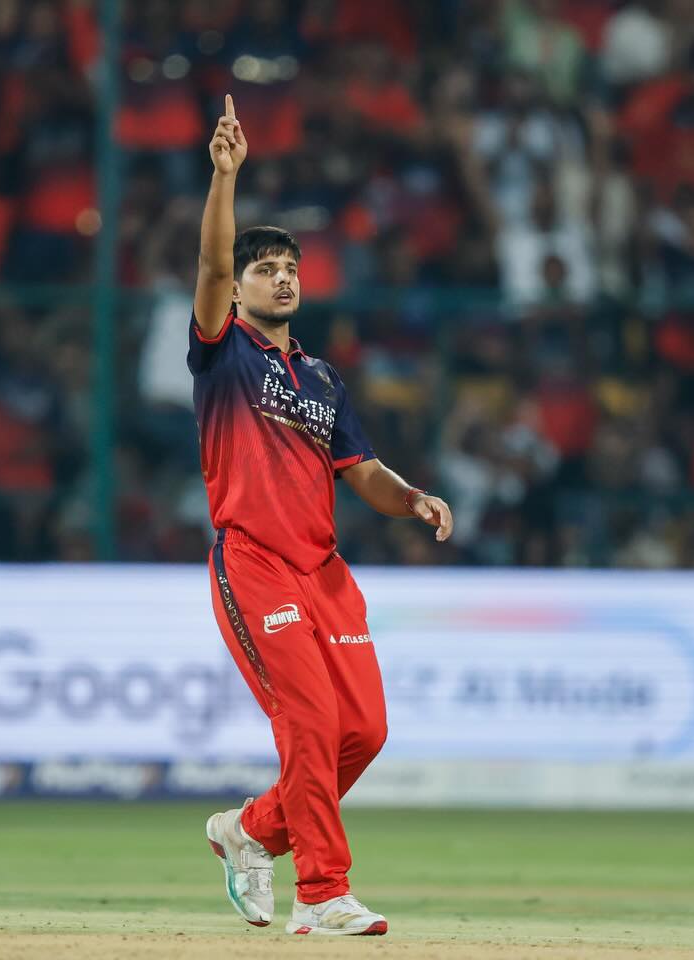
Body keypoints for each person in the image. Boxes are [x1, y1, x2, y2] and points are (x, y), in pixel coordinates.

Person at [195, 96, 453, 937]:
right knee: (308, 723)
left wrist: (411, 497)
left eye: (289, 267)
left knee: (363, 731)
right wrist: (225, 178)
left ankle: (249, 830)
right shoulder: (223, 353)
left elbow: (363, 472)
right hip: (255, 562)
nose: (282, 277)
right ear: (239, 289)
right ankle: (321, 892)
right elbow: (210, 265)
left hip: (324, 572)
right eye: (265, 268)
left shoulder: (322, 379)